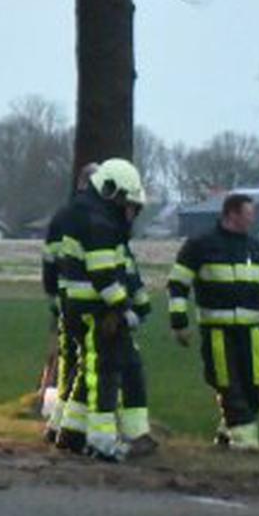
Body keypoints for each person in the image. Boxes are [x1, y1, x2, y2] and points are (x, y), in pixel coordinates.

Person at [55, 157, 155, 462]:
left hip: (83, 307)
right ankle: (101, 441)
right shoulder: (99, 223)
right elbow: (103, 274)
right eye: (129, 204)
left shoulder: (91, 215)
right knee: (104, 373)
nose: (132, 212)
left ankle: (71, 433)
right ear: (112, 192)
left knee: (91, 370)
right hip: (94, 311)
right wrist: (123, 308)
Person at [168, 192, 259, 451]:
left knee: (257, 385)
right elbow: (177, 285)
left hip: (254, 330)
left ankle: (225, 435)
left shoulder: (257, 247)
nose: (253, 218)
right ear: (232, 214)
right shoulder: (199, 245)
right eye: (249, 213)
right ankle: (245, 443)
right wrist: (179, 323)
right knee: (227, 385)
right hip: (217, 331)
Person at [41, 162, 100, 448]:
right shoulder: (96, 217)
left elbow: (49, 258)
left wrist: (52, 293)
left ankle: (58, 423)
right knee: (90, 361)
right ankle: (73, 428)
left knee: (69, 359)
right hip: (90, 301)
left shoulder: (62, 215)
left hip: (65, 299)